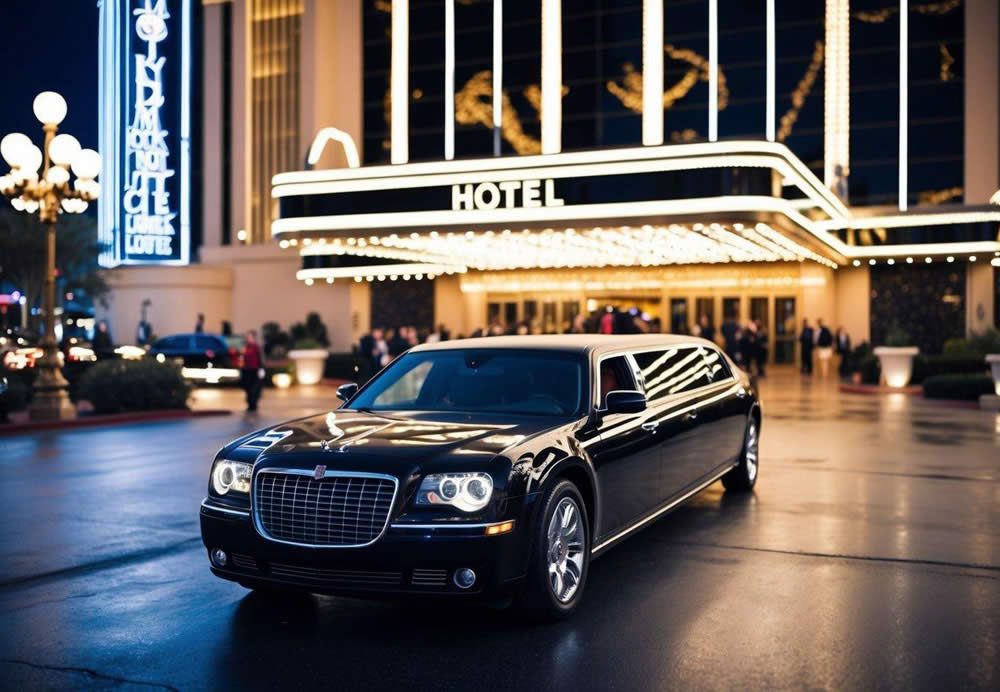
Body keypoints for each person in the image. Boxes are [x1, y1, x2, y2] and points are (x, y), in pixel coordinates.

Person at [241, 330, 265, 412]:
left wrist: (261, 369)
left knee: (254, 388)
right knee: (247, 387)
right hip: (246, 370)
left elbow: (260, 358)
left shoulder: (256, 347)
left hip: (254, 370)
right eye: (247, 337)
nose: (247, 339)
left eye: (249, 337)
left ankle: (254, 404)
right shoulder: (246, 347)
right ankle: (250, 404)